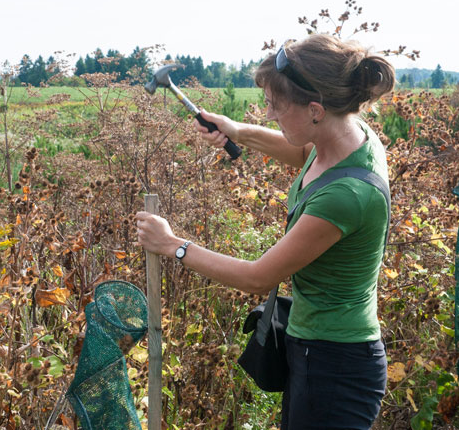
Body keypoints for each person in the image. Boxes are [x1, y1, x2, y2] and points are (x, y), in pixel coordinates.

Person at [135, 34, 395, 430]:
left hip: (335, 366)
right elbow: (302, 153)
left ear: (315, 109)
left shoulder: (348, 196)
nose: (269, 114)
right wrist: (236, 130)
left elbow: (259, 276)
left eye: (275, 106)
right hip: (315, 351)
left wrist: (172, 245)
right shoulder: (350, 137)